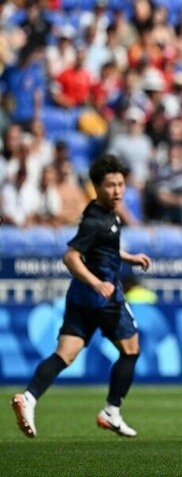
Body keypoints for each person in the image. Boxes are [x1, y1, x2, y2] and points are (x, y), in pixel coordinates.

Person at [11, 154, 151, 439]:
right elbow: (71, 257)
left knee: (64, 355)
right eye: (110, 185)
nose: (117, 191)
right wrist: (98, 283)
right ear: (97, 187)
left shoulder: (101, 212)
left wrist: (129, 258)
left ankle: (29, 398)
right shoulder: (96, 221)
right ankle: (111, 411)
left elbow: (101, 249)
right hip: (104, 297)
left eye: (121, 184)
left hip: (80, 297)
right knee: (131, 349)